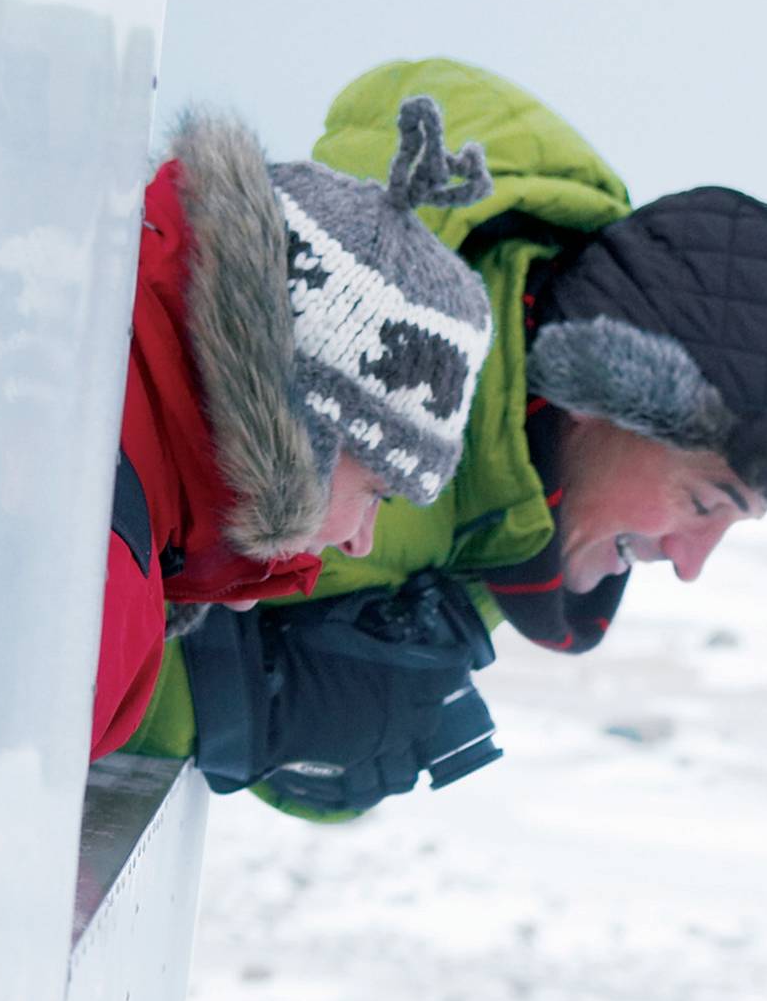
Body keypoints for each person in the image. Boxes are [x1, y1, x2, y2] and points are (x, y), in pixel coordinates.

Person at [123, 58, 767, 822]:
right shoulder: (353, 359)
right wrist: (232, 706)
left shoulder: (519, 502)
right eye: (702, 502)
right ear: (606, 398)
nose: (690, 563)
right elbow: (65, 630)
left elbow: (325, 761)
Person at [93, 92, 495, 761]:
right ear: (311, 430)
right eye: (377, 493)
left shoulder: (106, 392)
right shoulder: (107, 580)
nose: (363, 542)